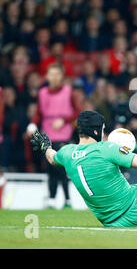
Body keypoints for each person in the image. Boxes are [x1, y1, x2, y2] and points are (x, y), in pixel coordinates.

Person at [27, 63, 82, 208]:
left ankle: (67, 199)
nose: (54, 77)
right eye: (52, 74)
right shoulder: (42, 92)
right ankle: (52, 199)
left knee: (61, 168)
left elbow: (78, 111)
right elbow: (39, 113)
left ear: (62, 76)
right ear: (47, 76)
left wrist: (64, 120)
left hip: (63, 135)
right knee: (49, 168)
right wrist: (32, 124)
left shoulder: (69, 91)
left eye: (57, 74)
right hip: (47, 135)